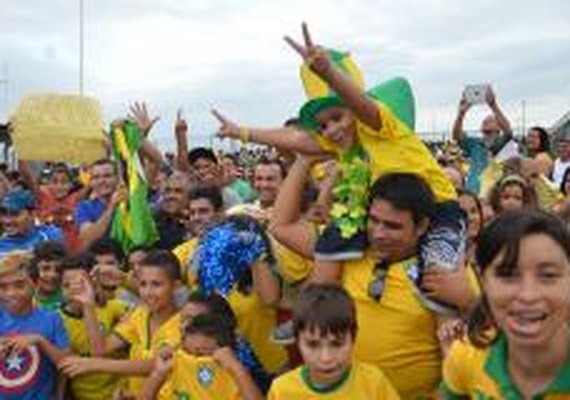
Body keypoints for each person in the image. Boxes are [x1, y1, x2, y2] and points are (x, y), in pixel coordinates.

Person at [213, 24, 464, 309]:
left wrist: (327, 71)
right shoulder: (342, 148)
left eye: (337, 117)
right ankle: (313, 310)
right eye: (323, 125)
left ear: (354, 113)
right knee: (336, 236)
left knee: (439, 281)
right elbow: (296, 139)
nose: (331, 130)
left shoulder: (382, 127)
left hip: (438, 210)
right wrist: (241, 132)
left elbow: (361, 104)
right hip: (383, 220)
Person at [440, 211, 570, 398]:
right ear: (483, 280)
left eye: (548, 275)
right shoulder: (466, 357)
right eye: (508, 275)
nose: (528, 295)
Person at [58, 249, 183, 399]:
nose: (148, 292)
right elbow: (100, 350)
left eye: (156, 284)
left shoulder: (184, 323)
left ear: (176, 286)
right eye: (143, 284)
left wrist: (93, 364)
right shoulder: (140, 314)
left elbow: (153, 365)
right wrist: (88, 305)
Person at [267, 283, 400, 399]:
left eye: (337, 344)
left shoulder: (374, 382)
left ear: (353, 338)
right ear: (298, 343)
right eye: (313, 345)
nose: (326, 358)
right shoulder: (281, 391)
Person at [141, 313, 263, 400]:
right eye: (187, 351)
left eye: (200, 354)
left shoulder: (233, 376)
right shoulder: (176, 368)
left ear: (226, 353)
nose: (191, 359)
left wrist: (237, 369)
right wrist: (158, 374)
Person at [0, 250, 70, 399]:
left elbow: (67, 363)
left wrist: (40, 340)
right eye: (3, 287)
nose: (11, 293)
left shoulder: (52, 319)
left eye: (19, 285)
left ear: (36, 284)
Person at [58, 254, 128, 400]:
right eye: (67, 285)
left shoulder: (114, 308)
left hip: (120, 392)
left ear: (93, 284)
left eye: (81, 283)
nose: (74, 290)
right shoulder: (56, 321)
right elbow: (62, 372)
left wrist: (124, 278)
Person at [452, 85, 513, 195]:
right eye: (484, 122)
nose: (486, 122)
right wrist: (461, 114)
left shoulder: (503, 144)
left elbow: (508, 131)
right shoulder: (475, 144)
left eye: (490, 121)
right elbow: (456, 136)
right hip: (473, 192)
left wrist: (493, 105)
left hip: (494, 194)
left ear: (499, 127)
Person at [0, 189, 64, 256]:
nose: (7, 221)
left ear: (32, 214)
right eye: (3, 214)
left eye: (15, 214)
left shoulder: (51, 234)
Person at [31, 240, 67, 311]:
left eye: (58, 270)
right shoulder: (24, 298)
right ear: (34, 270)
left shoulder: (70, 298)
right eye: (45, 268)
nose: (53, 275)